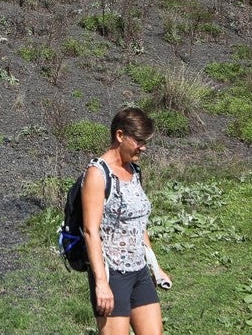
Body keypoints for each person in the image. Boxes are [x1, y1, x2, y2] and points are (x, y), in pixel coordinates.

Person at [82, 107, 170, 335]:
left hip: (139, 271)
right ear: (120, 135)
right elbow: (90, 231)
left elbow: (138, 224)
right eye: (139, 141)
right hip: (113, 274)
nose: (143, 147)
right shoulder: (97, 173)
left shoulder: (134, 170)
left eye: (145, 141)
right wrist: (101, 283)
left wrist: (155, 266)